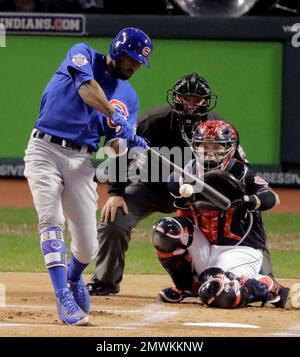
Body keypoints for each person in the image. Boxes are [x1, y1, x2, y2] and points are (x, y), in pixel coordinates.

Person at [23, 27, 152, 325]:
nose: (134, 66)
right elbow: (86, 88)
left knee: (87, 246)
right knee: (51, 220)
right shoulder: (82, 53)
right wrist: (113, 114)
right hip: (45, 148)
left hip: (82, 160)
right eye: (131, 59)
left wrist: (127, 140)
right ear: (118, 50)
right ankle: (62, 299)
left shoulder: (129, 97)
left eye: (139, 63)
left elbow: (114, 147)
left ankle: (73, 278)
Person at [87, 72, 234, 296]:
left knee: (227, 227)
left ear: (206, 102)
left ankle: (218, 279)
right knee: (113, 220)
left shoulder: (219, 128)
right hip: (150, 186)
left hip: (196, 194)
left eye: (197, 100)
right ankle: (105, 281)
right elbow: (122, 152)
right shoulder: (153, 121)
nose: (191, 105)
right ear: (175, 98)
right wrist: (116, 193)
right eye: (186, 99)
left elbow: (235, 164)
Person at [152, 120, 289, 308]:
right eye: (204, 146)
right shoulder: (187, 173)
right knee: (165, 230)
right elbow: (181, 210)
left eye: (216, 147)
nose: (209, 151)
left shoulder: (241, 172)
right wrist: (185, 190)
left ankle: (268, 287)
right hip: (206, 246)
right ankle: (187, 286)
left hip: (240, 249)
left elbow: (271, 197)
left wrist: (249, 200)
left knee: (219, 293)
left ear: (229, 148)